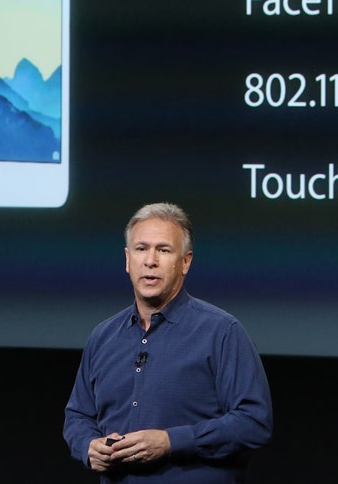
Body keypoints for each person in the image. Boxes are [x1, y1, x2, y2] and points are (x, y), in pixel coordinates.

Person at [63, 202, 273, 483]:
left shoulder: (221, 332)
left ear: (185, 262)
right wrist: (88, 447)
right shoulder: (103, 337)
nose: (150, 261)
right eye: (141, 249)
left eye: (163, 250)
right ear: (127, 260)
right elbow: (77, 415)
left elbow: (254, 422)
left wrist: (171, 441)